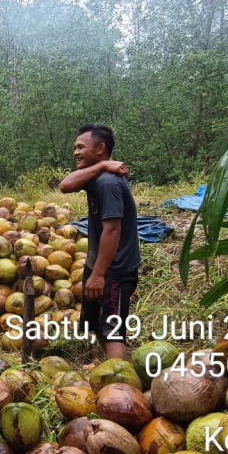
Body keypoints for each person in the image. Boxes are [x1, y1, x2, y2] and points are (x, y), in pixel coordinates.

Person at [58, 124, 140, 360]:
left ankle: (123, 391)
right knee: (96, 324)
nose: (75, 152)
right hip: (99, 266)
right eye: (74, 147)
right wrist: (103, 164)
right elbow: (65, 185)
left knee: (112, 331)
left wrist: (98, 275)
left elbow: (112, 230)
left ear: (101, 148)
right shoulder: (98, 174)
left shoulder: (108, 183)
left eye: (81, 147)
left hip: (114, 270)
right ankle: (114, 376)